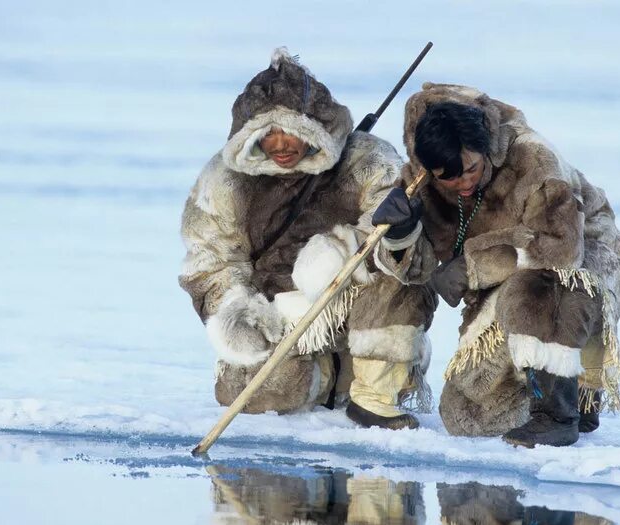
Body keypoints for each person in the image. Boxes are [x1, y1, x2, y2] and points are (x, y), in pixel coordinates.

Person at [178, 48, 436, 430]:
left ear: (313, 127)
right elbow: (209, 257)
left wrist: (355, 247)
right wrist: (240, 313)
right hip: (277, 318)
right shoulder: (225, 178)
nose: (281, 144)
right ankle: (331, 376)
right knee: (262, 393)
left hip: (348, 300)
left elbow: (399, 244)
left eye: (291, 131)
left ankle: (376, 390)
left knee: (397, 279)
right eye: (269, 134)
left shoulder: (366, 160)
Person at [373, 83, 620, 447]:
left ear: (485, 151)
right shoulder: (419, 182)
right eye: (450, 176)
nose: (464, 183)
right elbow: (416, 271)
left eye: (471, 169)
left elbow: (560, 249)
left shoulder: (533, 161)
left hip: (581, 252)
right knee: (468, 417)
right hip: (504, 269)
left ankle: (561, 411)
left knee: (541, 287)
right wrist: (399, 233)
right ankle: (538, 383)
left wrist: (472, 267)